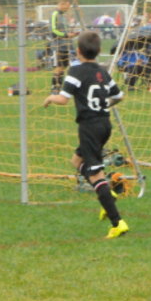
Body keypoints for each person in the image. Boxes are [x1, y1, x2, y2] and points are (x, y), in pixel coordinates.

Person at [43, 31, 128, 239]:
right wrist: (105, 105)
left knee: (95, 174)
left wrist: (50, 98)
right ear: (98, 51)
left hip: (89, 127)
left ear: (78, 51)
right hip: (104, 124)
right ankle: (107, 194)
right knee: (76, 161)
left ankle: (117, 223)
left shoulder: (76, 71)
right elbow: (119, 95)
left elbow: (63, 99)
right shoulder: (102, 71)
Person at [50, 0, 78, 93]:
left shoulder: (63, 16)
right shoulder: (55, 14)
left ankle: (60, 86)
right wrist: (66, 35)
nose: (68, 8)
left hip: (66, 45)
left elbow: (64, 30)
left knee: (63, 67)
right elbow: (53, 30)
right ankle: (55, 88)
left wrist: (71, 34)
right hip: (58, 45)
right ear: (62, 4)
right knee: (58, 67)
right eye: (67, 6)